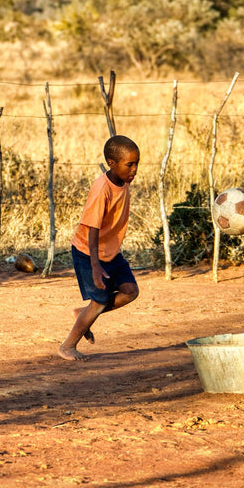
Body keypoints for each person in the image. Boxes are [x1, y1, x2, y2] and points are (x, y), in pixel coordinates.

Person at [58, 135, 141, 361]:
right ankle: (67, 346)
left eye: (137, 164)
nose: (134, 169)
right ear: (111, 163)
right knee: (100, 301)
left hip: (110, 252)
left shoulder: (123, 181)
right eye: (129, 164)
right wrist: (95, 264)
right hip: (88, 252)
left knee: (130, 291)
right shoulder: (101, 188)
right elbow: (92, 228)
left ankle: (81, 315)